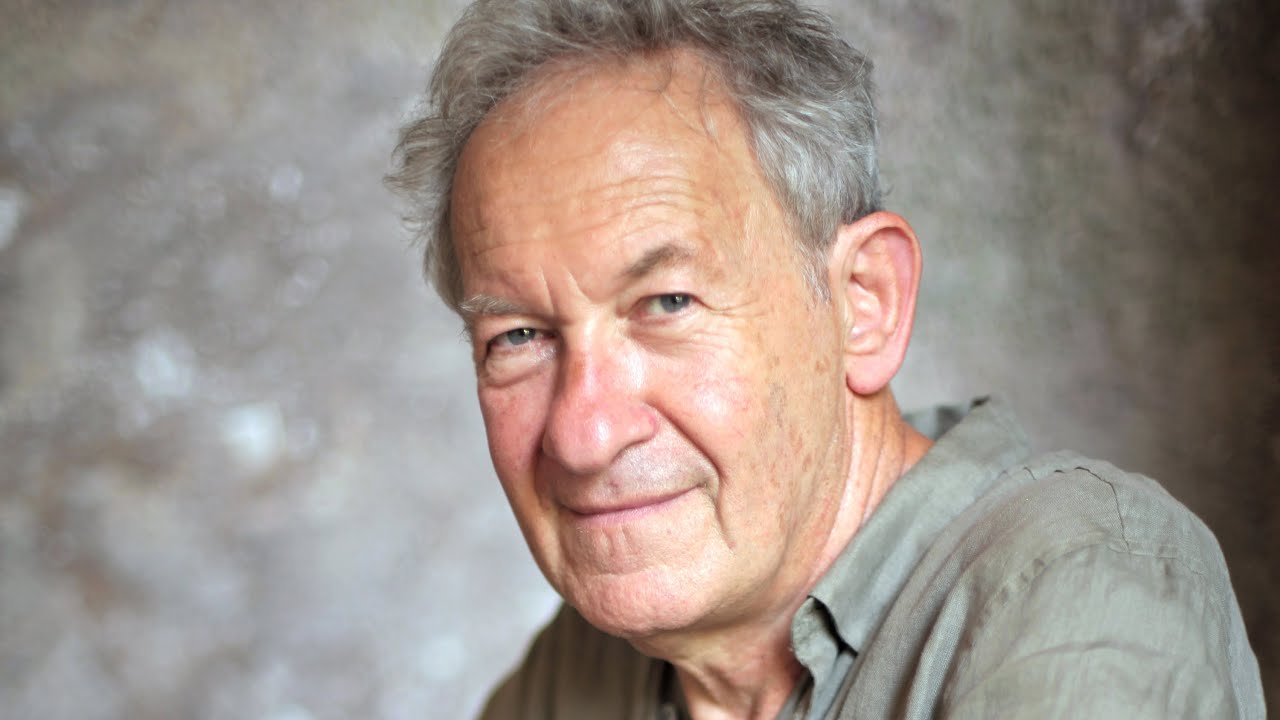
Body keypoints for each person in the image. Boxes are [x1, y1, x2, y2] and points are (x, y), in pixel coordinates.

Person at [388, 1, 1266, 717]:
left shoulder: (1075, 585)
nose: (583, 437)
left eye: (667, 303)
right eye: (519, 337)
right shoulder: (585, 669)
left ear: (863, 302)